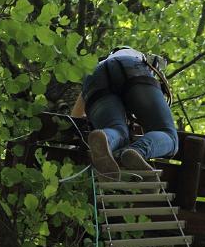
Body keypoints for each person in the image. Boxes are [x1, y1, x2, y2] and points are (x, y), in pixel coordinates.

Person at [71, 46, 178, 180]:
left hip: (95, 78)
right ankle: (137, 150)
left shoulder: (100, 64)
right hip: (132, 69)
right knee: (168, 134)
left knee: (117, 130)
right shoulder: (141, 56)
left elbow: (76, 115)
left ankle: (106, 138)